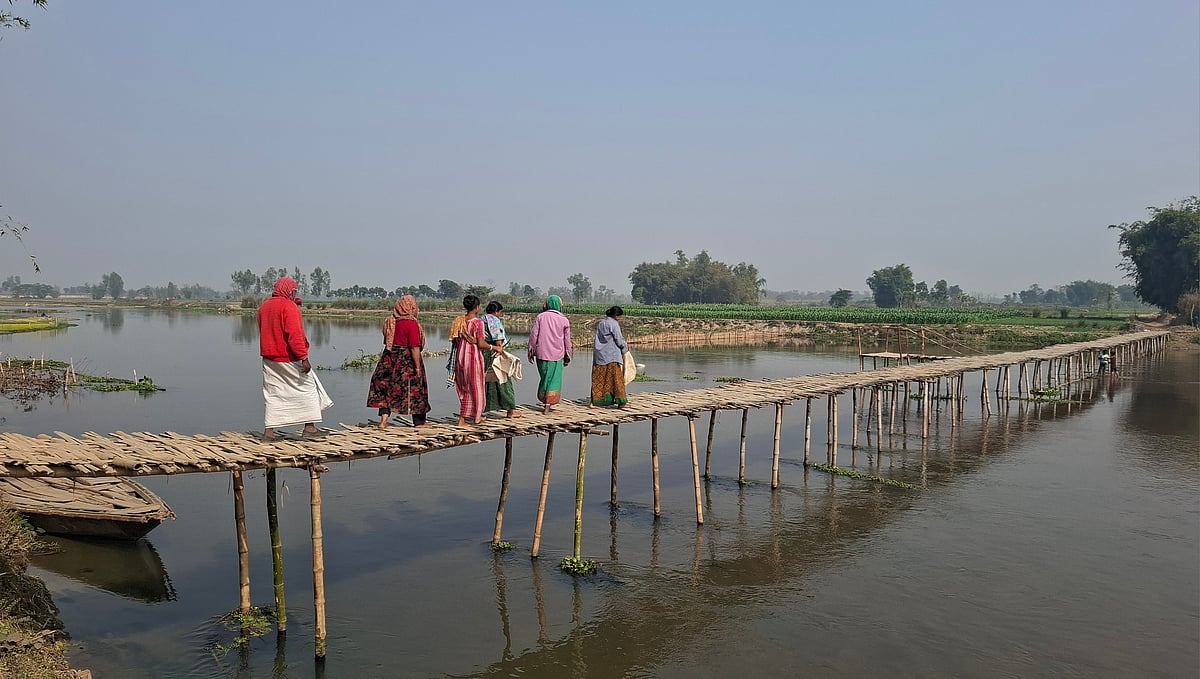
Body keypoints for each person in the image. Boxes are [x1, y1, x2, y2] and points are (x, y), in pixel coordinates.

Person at [257, 277, 333, 439]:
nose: (294, 294)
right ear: (288, 291)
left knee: (273, 392)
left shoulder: (264, 306)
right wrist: (304, 358)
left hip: (269, 358)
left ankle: (268, 433)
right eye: (293, 291)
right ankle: (310, 428)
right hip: (288, 357)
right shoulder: (289, 307)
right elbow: (295, 336)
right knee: (308, 388)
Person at [366, 295, 430, 429]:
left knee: (386, 388)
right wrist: (417, 368)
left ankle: (384, 421)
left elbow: (387, 340)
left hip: (389, 358)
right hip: (406, 360)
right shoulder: (411, 324)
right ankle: (419, 423)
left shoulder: (390, 321)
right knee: (416, 389)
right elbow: (414, 347)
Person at [449, 295, 501, 426]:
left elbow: (455, 340)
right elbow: (481, 344)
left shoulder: (459, 321)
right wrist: (495, 347)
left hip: (460, 358)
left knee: (464, 387)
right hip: (472, 358)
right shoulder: (477, 323)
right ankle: (476, 416)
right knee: (477, 387)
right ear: (477, 307)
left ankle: (464, 417)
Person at [527, 295, 572, 414]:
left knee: (545, 377)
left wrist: (531, 350)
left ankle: (544, 398)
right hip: (557, 354)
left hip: (541, 353)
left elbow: (534, 336)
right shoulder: (564, 320)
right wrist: (568, 354)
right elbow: (567, 340)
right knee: (554, 379)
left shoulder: (541, 317)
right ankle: (548, 404)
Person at [483, 301, 521, 419]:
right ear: (496, 311)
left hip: (484, 352)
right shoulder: (494, 320)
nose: (500, 314)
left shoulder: (482, 319)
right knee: (504, 379)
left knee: (485, 381)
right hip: (495, 351)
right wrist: (499, 349)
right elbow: (498, 339)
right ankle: (510, 410)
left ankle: (480, 410)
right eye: (500, 312)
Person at [590, 306, 629, 408]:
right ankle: (621, 402)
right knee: (617, 379)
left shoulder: (601, 323)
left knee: (599, 380)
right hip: (611, 356)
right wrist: (625, 349)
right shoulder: (614, 324)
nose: (620, 318)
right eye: (620, 316)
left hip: (599, 356)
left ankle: (595, 402)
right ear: (616, 316)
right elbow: (619, 340)